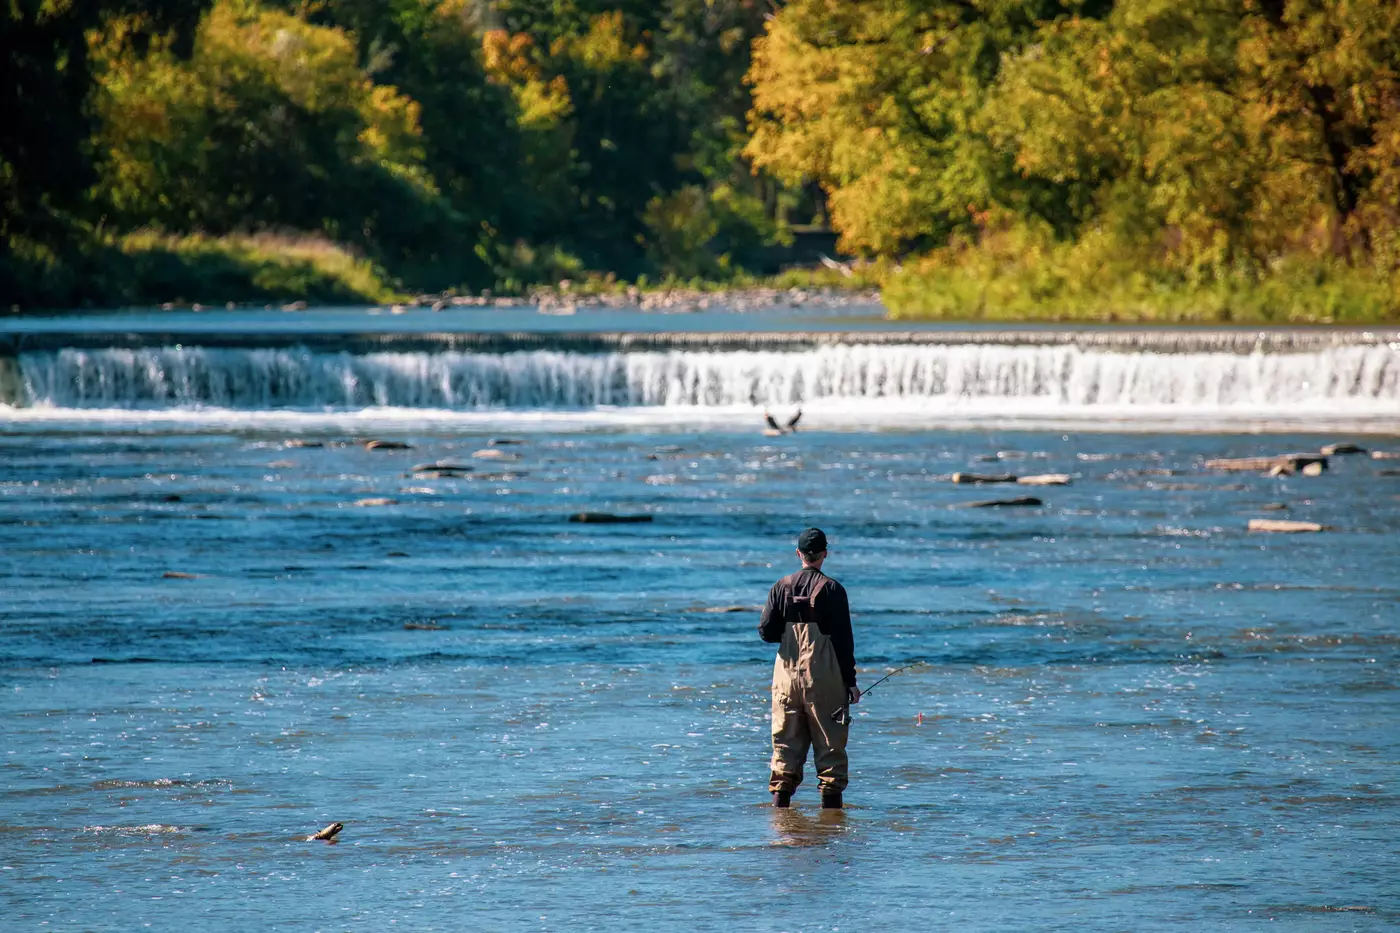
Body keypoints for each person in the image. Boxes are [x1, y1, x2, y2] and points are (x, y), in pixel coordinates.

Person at [758, 527, 858, 809]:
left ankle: (780, 819)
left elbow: (766, 632)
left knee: (785, 746)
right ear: (825, 554)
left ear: (798, 554)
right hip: (824, 678)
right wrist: (850, 682)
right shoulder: (833, 589)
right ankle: (831, 823)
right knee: (830, 747)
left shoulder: (780, 586)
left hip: (786, 676)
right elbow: (843, 641)